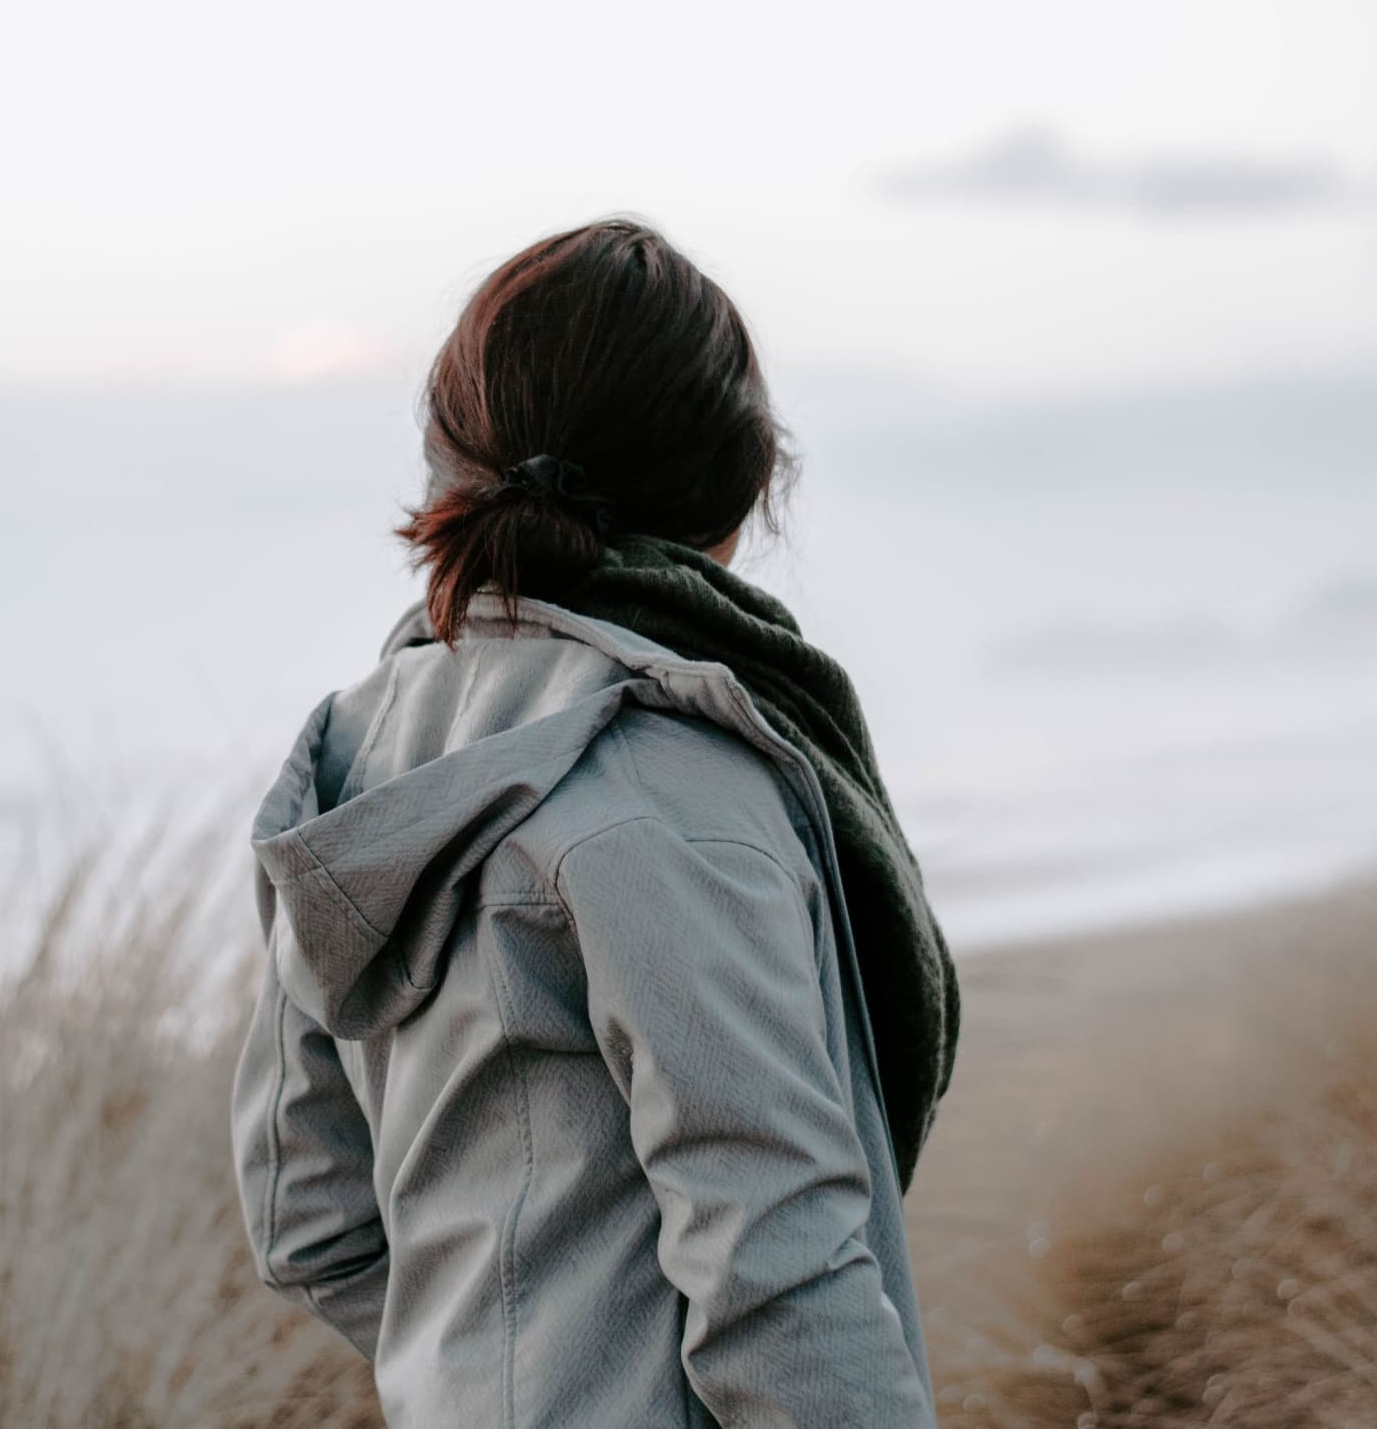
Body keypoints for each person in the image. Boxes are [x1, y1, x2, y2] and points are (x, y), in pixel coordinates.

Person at [231, 217, 957, 1426]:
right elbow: (783, 1281)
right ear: (736, 486)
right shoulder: (673, 790)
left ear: (449, 464)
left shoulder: (355, 756)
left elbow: (303, 1217)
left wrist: (496, 1369)